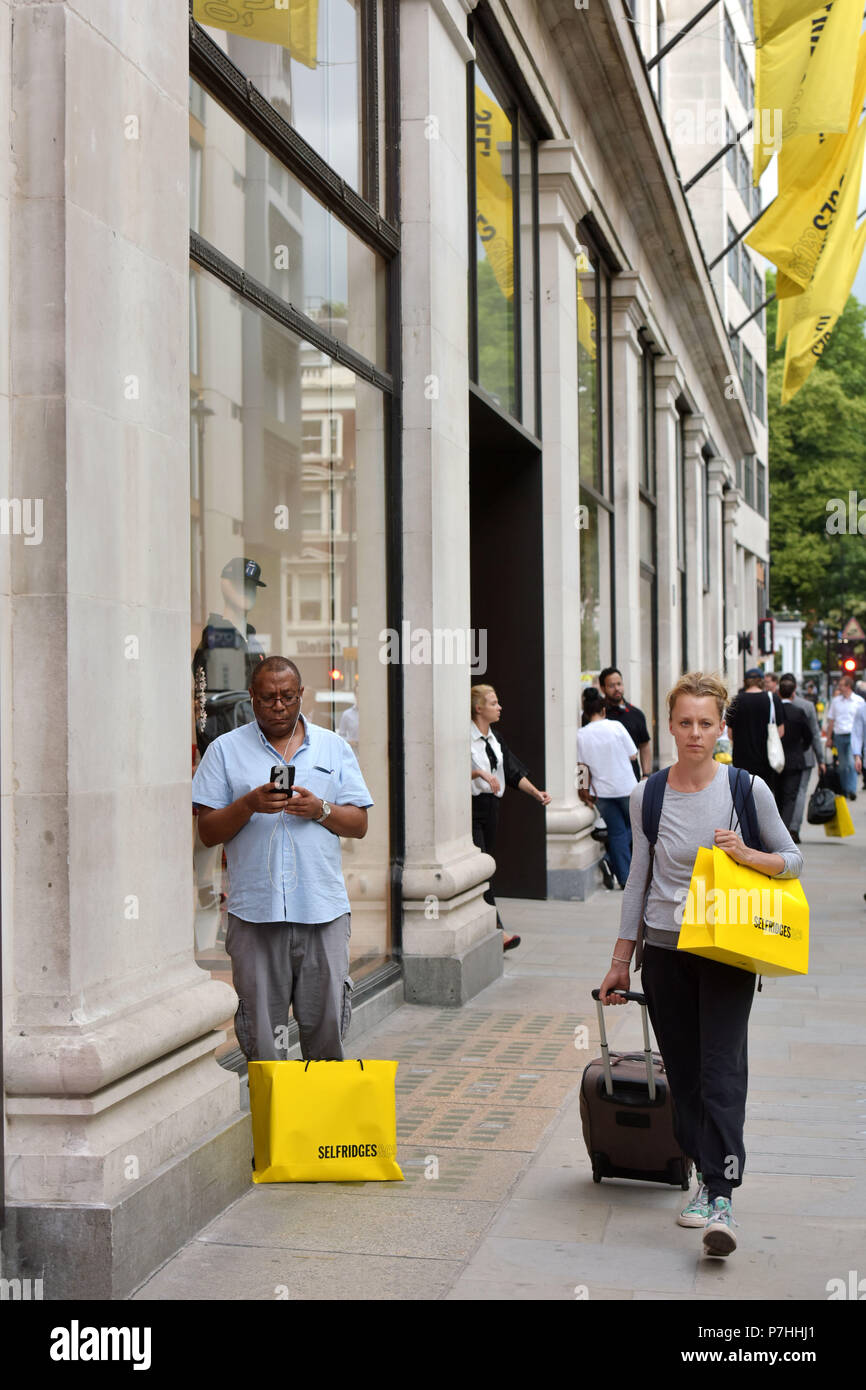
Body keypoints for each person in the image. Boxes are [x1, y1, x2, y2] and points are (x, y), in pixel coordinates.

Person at [599, 671, 802, 1258]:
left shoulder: (746, 789)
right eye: (685, 723)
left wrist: (750, 855)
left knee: (720, 1071)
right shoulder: (649, 795)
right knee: (684, 1075)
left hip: (726, 951)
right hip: (664, 952)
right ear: (669, 725)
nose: (695, 734)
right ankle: (700, 1174)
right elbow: (638, 877)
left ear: (723, 728)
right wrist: (620, 958)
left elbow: (792, 860)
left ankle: (721, 1193)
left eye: (706, 724)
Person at [191, 656, 373, 1062]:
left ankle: (319, 1125)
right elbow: (208, 831)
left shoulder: (333, 746)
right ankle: (273, 1125)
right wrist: (249, 804)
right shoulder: (224, 751)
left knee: (326, 1035)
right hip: (255, 915)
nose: (279, 706)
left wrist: (320, 810)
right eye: (269, 697)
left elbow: (358, 823)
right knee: (263, 1041)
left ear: (301, 695)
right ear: (252, 698)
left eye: (288, 697)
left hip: (322, 911)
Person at [471, 684, 551, 951]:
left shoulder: (496, 740)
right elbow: (452, 770)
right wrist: (478, 774)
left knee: (484, 868)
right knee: (481, 868)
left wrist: (536, 793)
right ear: (478, 708)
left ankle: (483, 924)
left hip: (492, 808)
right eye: (493, 703)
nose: (499, 707)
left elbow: (513, 772)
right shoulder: (464, 739)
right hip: (471, 809)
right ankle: (498, 929)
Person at [192, 557, 267, 757]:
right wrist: (214, 753)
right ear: (225, 584)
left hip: (255, 749)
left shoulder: (253, 643)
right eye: (242, 585)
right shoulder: (218, 638)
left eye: (252, 587)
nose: (248, 592)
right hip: (232, 753)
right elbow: (209, 705)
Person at [577, 688, 640, 888]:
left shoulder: (581, 735)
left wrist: (583, 790)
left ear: (586, 713)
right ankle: (612, 863)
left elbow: (582, 767)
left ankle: (623, 878)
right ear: (604, 710)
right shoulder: (616, 727)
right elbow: (633, 754)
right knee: (638, 830)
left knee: (617, 833)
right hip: (626, 787)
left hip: (602, 791)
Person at [780, 672, 826, 842]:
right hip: (803, 756)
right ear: (795, 688)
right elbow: (814, 733)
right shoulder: (806, 706)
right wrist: (821, 759)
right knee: (799, 793)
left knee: (781, 793)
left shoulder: (776, 705)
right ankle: (793, 828)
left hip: (780, 758)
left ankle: (782, 828)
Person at [724, 667, 785, 791]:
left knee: (743, 795)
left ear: (745, 681)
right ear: (762, 681)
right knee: (764, 796)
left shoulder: (736, 700)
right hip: (766, 759)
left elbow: (730, 734)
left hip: (741, 759)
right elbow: (781, 731)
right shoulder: (772, 699)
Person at [774, 676, 814, 833]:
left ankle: (777, 829)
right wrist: (801, 748)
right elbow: (809, 735)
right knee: (791, 797)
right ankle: (785, 830)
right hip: (795, 759)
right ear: (793, 693)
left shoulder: (775, 713)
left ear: (779, 692)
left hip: (777, 760)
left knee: (778, 795)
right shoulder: (798, 712)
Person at [599, 667, 652, 778]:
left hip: (632, 779)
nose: (617, 688)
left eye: (619, 684)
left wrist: (646, 775)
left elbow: (644, 745)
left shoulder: (636, 714)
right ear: (602, 688)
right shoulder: (597, 715)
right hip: (604, 782)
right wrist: (583, 786)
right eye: (611, 686)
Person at [824, 676, 865, 801]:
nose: (839, 687)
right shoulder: (836, 701)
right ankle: (845, 789)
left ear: (848, 686)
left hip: (853, 735)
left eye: (841, 685)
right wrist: (829, 737)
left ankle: (851, 789)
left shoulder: (859, 701)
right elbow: (831, 720)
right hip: (840, 734)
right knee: (842, 765)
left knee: (851, 763)